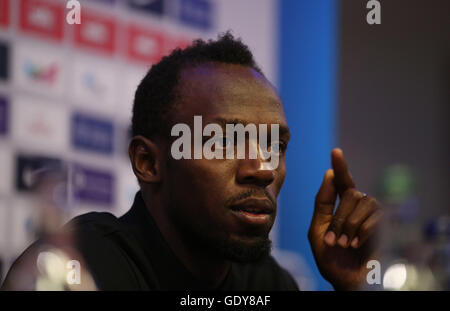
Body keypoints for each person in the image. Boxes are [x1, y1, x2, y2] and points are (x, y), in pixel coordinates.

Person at [1, 33, 382, 291]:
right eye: (223, 142)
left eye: (274, 145)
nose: (262, 169)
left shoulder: (267, 283)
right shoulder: (82, 267)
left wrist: (353, 286)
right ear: (148, 162)